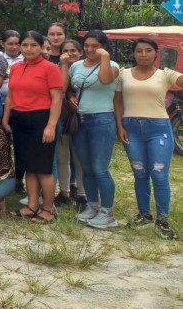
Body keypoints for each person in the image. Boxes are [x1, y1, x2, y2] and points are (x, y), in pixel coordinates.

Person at [114, 38, 183, 240]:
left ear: (155, 53)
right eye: (139, 51)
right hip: (131, 128)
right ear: (134, 53)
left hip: (158, 129)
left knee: (159, 175)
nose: (143, 54)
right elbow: (117, 101)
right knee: (140, 173)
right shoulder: (123, 74)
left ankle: (163, 219)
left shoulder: (166, 74)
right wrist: (120, 126)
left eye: (148, 50)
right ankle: (144, 214)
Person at [3, 31, 63, 224]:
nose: (28, 49)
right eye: (25, 45)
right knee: (28, 166)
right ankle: (31, 205)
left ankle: (47, 208)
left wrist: (51, 126)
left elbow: (56, 99)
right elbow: (11, 96)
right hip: (20, 120)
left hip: (41, 120)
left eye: (33, 45)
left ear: (40, 47)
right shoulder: (15, 67)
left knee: (43, 168)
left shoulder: (50, 68)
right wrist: (6, 119)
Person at [66, 30, 120, 229]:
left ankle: (108, 212)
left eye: (95, 46)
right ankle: (93, 205)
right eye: (87, 45)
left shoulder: (112, 65)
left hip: (102, 119)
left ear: (104, 47)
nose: (89, 49)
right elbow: (69, 86)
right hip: (79, 120)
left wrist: (104, 57)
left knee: (100, 168)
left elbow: (105, 80)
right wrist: (71, 95)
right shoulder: (76, 66)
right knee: (86, 168)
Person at [56, 39, 86, 206]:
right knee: (62, 156)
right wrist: (65, 66)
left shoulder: (86, 68)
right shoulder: (58, 68)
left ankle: (82, 194)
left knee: (79, 156)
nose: (69, 53)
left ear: (80, 52)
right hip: (63, 116)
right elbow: (60, 88)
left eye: (73, 50)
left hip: (82, 116)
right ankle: (64, 191)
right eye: (65, 50)